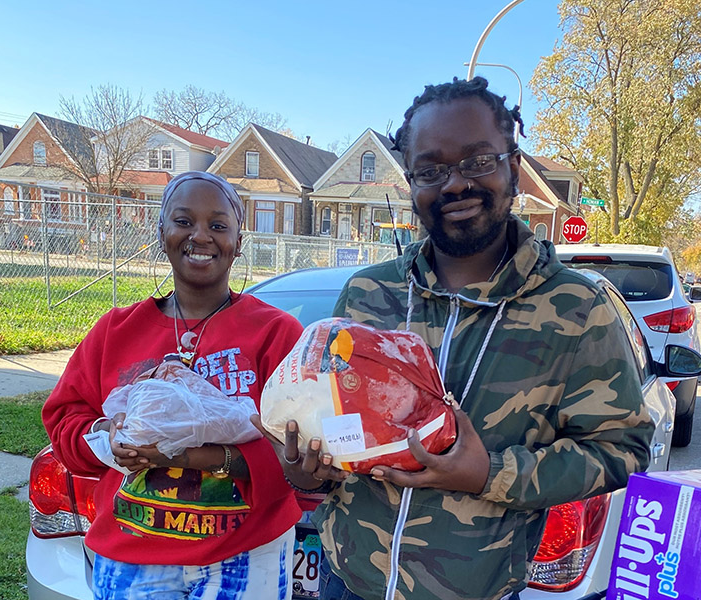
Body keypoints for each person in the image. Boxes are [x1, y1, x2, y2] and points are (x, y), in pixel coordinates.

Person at [278, 78, 655, 600]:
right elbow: (333, 430)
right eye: (431, 170)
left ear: (514, 169)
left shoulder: (576, 309)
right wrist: (308, 474)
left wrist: (489, 474)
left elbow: (624, 449)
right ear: (411, 184)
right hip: (348, 582)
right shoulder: (369, 292)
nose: (454, 185)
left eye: (478, 161)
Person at [42, 171, 304, 600]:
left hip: (246, 556)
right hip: (132, 562)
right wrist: (107, 436)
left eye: (218, 225)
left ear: (239, 243)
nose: (200, 236)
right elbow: (65, 423)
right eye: (184, 221)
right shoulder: (115, 331)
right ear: (161, 231)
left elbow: (301, 448)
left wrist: (206, 456)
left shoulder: (276, 333)